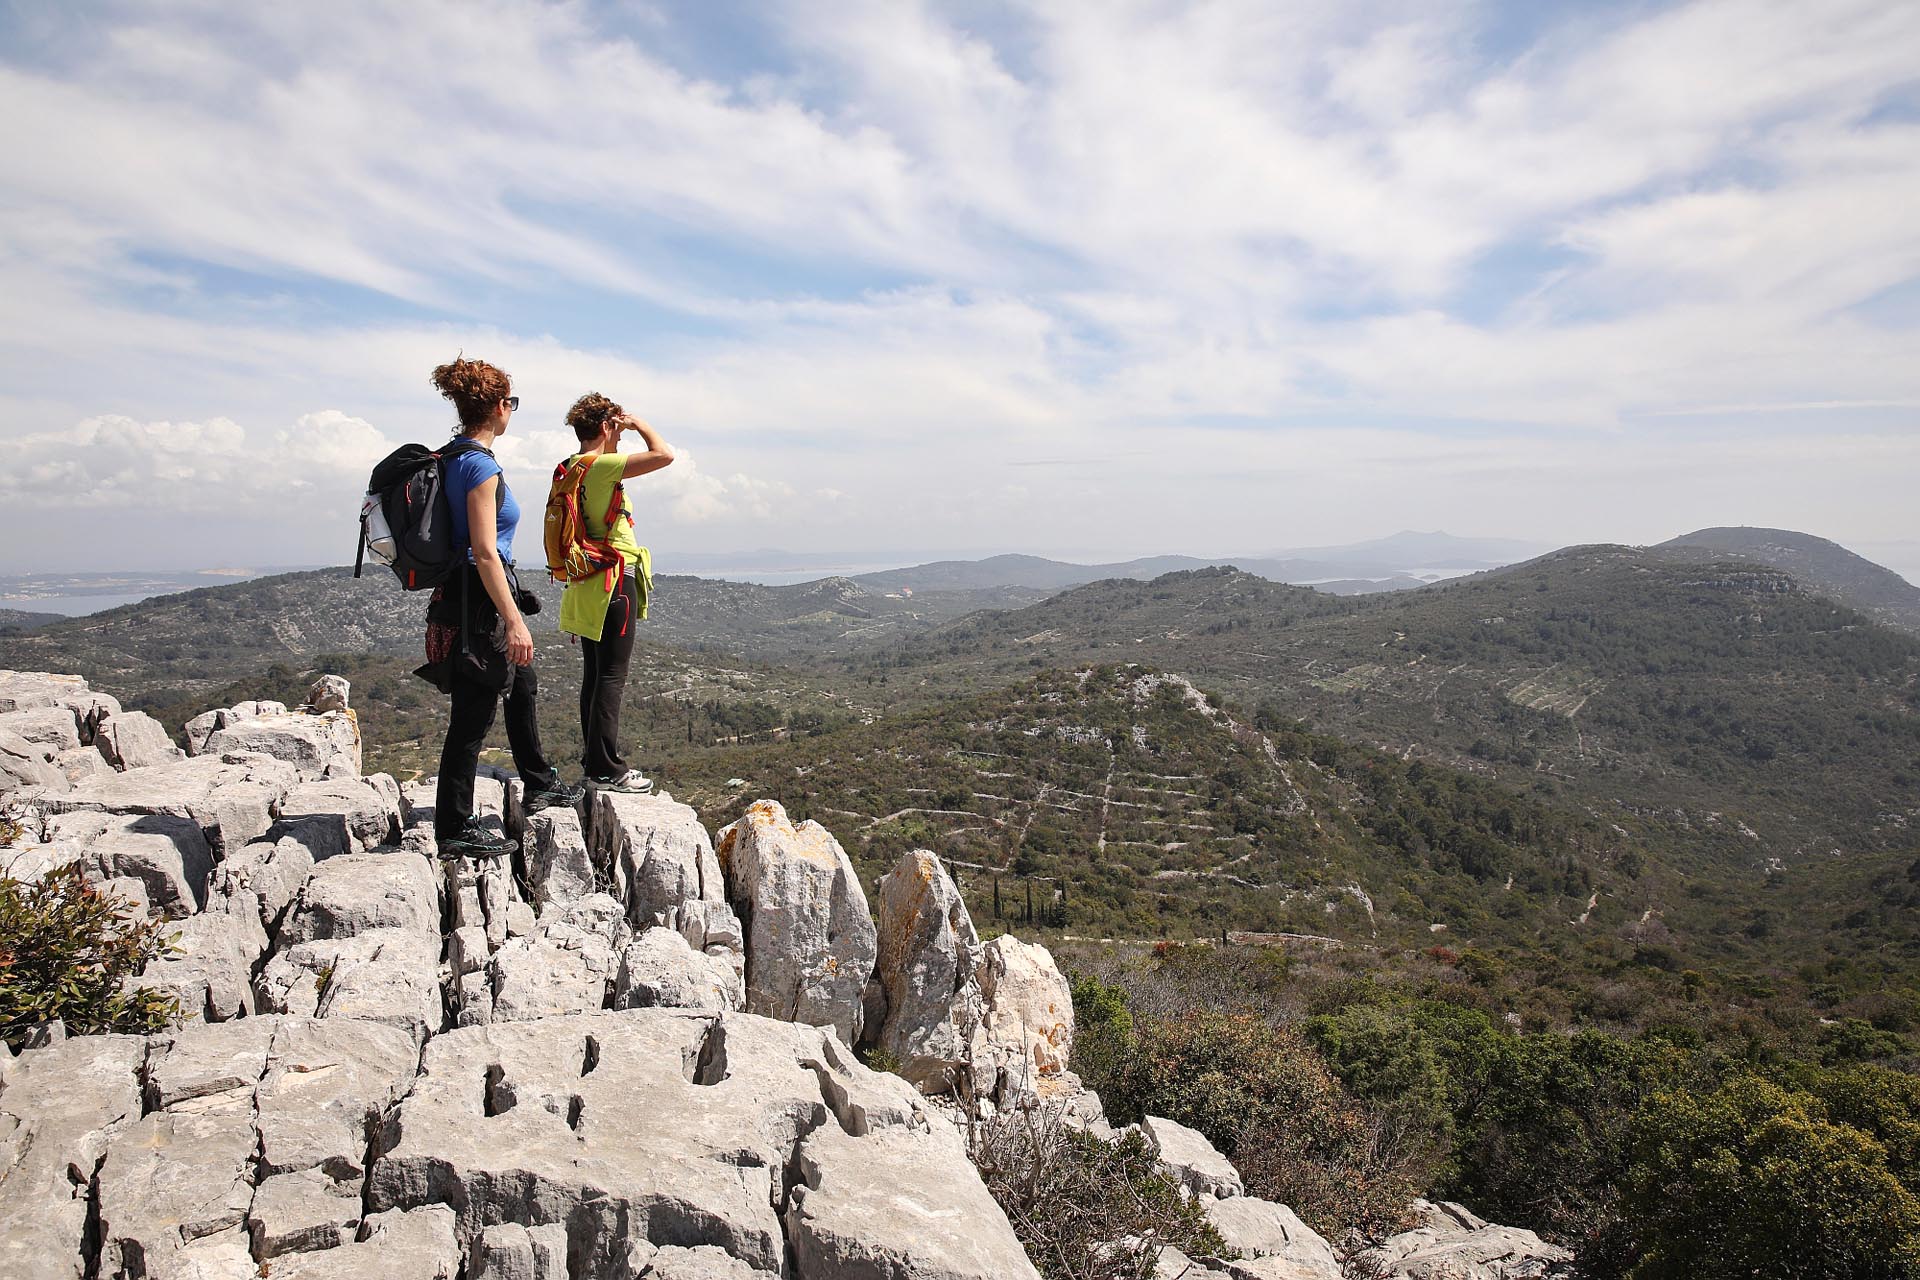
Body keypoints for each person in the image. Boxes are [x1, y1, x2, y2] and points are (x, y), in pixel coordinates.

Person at [422, 356, 583, 859]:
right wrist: (513, 620)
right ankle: (453, 826)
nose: (512, 410)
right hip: (479, 600)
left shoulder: (449, 456)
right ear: (497, 407)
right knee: (472, 714)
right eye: (511, 402)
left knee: (523, 683)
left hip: (463, 594)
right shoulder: (479, 465)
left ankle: (537, 782)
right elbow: (484, 550)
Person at [557, 392, 675, 793]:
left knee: (594, 675)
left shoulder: (569, 467)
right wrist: (638, 422)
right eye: (616, 430)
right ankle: (608, 769)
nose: (620, 438)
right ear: (606, 426)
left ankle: (594, 764)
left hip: (587, 582)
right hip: (614, 580)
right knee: (612, 677)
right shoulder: (603, 466)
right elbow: (664, 454)